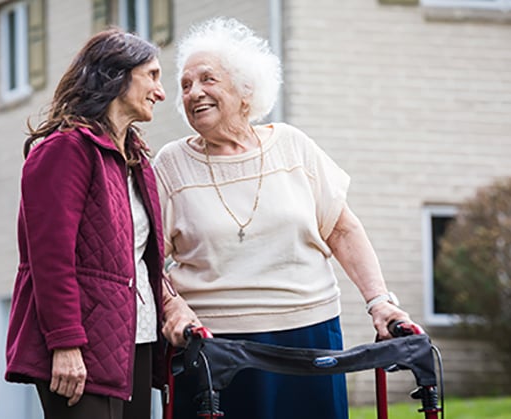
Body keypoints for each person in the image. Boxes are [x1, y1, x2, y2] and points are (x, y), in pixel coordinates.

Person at [154, 17, 414, 419]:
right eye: (185, 85)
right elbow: (145, 258)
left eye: (208, 79)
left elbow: (342, 229)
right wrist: (173, 307)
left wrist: (380, 302)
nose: (194, 93)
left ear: (246, 90)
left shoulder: (293, 146)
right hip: (214, 345)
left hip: (309, 334)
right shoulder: (172, 165)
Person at [5, 28, 167, 419]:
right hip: (81, 348)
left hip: (136, 341)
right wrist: (65, 343)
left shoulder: (135, 160)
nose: (160, 93)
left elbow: (140, 258)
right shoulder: (65, 151)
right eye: (153, 76)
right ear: (117, 75)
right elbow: (50, 259)